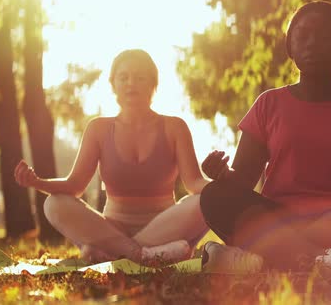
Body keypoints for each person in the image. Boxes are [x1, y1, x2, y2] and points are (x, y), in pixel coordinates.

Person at [199, 1, 331, 277]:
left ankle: (268, 258)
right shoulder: (268, 104)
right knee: (214, 196)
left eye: (323, 36)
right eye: (303, 36)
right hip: (277, 220)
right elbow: (243, 179)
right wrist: (221, 174)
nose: (312, 43)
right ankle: (322, 261)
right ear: (290, 48)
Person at [15, 49, 209, 264]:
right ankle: (141, 255)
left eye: (140, 77)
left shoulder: (175, 127)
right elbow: (75, 185)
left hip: (165, 226)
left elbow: (195, 183)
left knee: (206, 201)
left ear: (154, 84)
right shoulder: (98, 128)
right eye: (123, 77)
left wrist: (225, 187)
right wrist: (37, 182)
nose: (131, 83)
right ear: (113, 84)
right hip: (112, 228)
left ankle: (114, 254)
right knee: (54, 204)